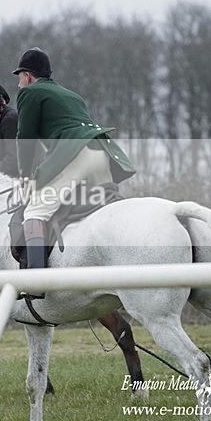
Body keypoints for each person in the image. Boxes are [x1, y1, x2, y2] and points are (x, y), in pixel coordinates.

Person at [12, 47, 136, 292]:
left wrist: (25, 174)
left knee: (36, 211)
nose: (18, 84)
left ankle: (34, 282)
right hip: (101, 151)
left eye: (19, 77)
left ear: (27, 75)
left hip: (75, 153)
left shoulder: (30, 93)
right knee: (106, 206)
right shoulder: (72, 95)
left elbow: (24, 137)